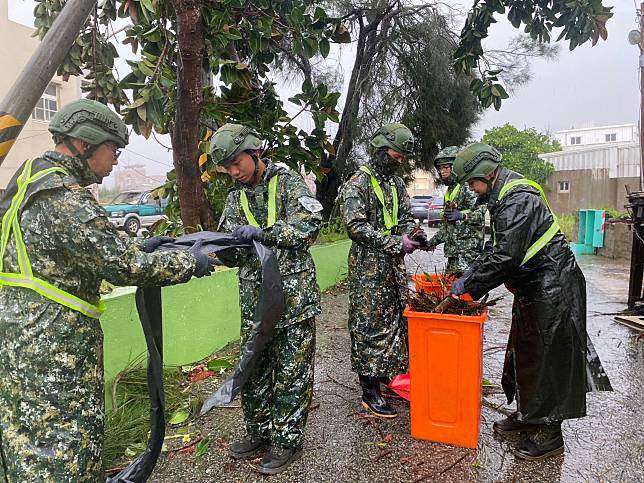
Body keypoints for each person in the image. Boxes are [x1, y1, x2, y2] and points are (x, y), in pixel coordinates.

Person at [0, 99, 212, 481]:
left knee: (25, 449)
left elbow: (86, 250)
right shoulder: (65, 199)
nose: (114, 160)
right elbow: (125, 266)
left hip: (19, 345)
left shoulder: (26, 184)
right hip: (56, 357)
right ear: (85, 144)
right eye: (112, 150)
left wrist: (144, 245)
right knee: (66, 455)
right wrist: (190, 263)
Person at [450, 142, 610, 461]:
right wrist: (470, 272)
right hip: (533, 286)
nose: (470, 188)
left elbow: (506, 255)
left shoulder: (517, 198)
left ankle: (551, 435)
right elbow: (495, 247)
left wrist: (468, 286)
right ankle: (529, 416)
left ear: (485, 173)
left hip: (553, 285)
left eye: (471, 181)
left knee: (551, 357)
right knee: (525, 351)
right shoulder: (500, 196)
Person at [209, 123, 321, 475]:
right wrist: (206, 249)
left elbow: (310, 225)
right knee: (254, 372)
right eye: (226, 167)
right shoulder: (234, 198)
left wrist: (265, 233)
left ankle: (286, 441)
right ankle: (258, 433)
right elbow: (231, 251)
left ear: (254, 152)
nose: (233, 172)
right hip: (255, 304)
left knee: (291, 373)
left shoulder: (287, 183)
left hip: (292, 301)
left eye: (235, 163)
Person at [340, 122, 424, 419]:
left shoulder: (395, 184)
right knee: (368, 326)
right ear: (378, 148)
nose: (398, 161)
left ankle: (389, 376)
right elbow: (355, 227)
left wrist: (412, 235)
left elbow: (403, 217)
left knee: (394, 323)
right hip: (367, 269)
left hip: (393, 266)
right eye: (395, 155)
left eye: (403, 158)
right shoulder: (357, 184)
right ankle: (369, 390)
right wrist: (393, 242)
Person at [425, 146, 486, 276]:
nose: (442, 172)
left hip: (468, 255)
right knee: (450, 290)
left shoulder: (468, 186)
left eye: (446, 167)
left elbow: (481, 215)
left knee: (464, 292)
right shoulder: (450, 191)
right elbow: (448, 228)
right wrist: (430, 243)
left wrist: (462, 216)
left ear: (457, 167)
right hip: (454, 254)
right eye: (440, 168)